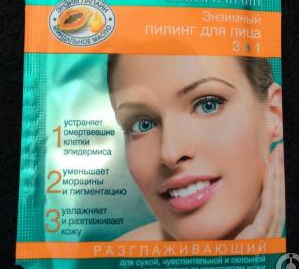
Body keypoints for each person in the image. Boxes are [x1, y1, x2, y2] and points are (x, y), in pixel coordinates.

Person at [107, 55, 285, 241]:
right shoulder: (113, 258)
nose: (170, 153)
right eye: (142, 124)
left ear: (274, 114)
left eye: (208, 105)